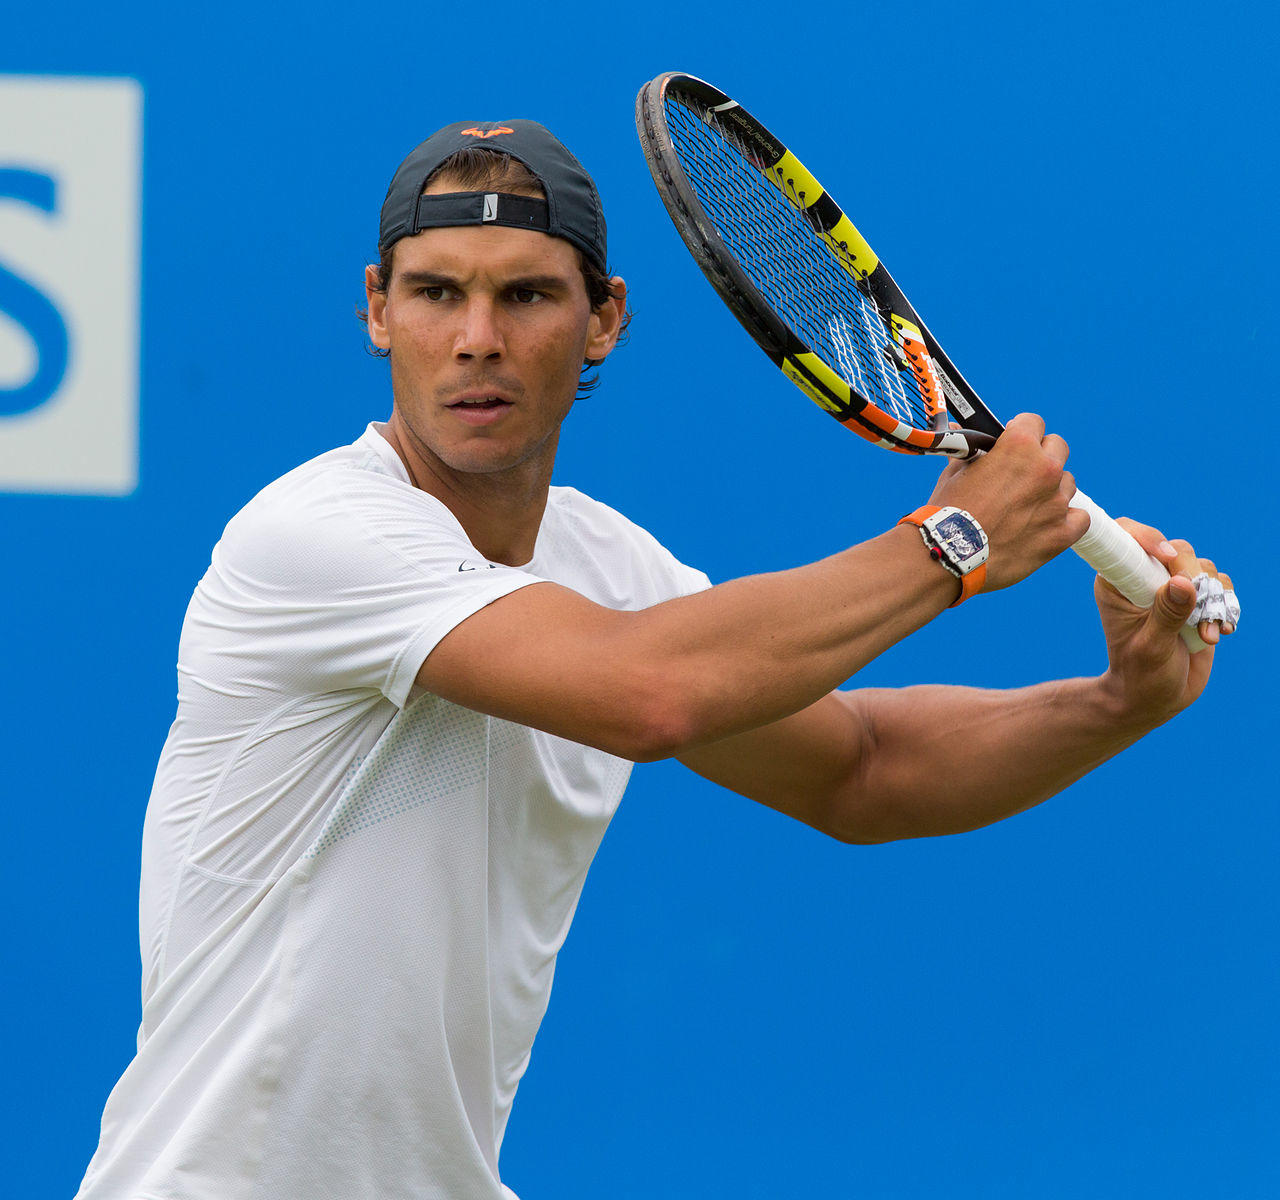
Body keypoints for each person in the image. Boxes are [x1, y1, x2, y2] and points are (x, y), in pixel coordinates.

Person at [75, 119, 1236, 1200]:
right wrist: (957, 539)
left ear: (604, 317)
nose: (476, 338)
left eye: (526, 294)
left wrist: (1114, 702)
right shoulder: (315, 535)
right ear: (378, 310)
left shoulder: (606, 565)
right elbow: (648, 692)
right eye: (437, 295)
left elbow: (863, 768)